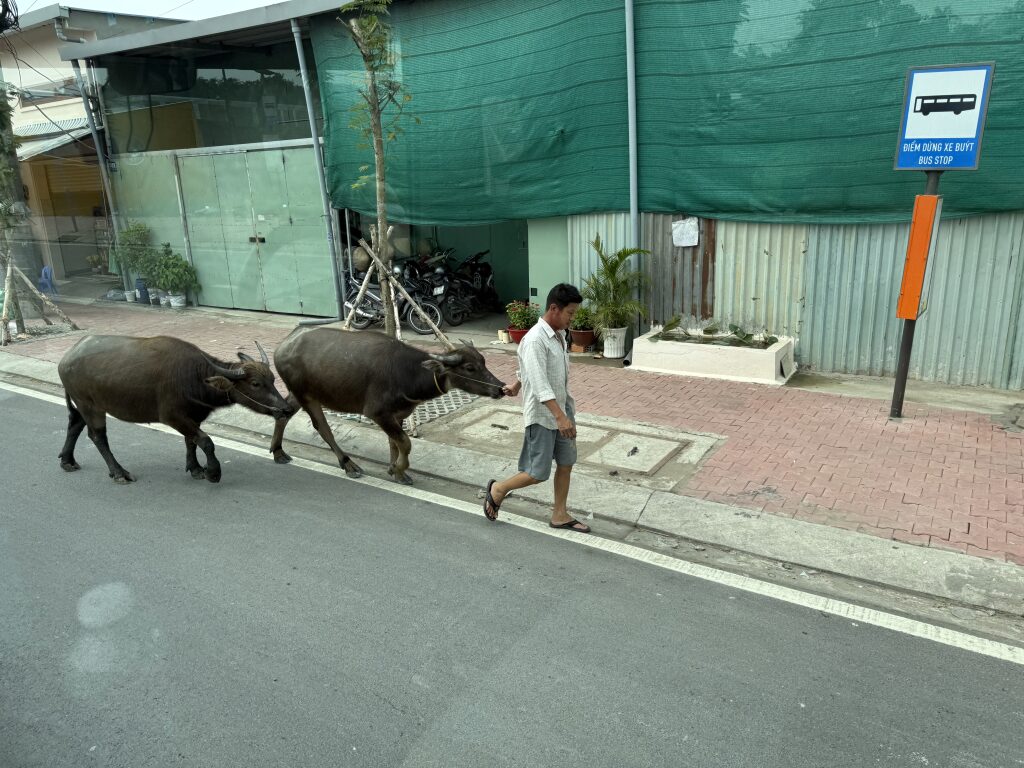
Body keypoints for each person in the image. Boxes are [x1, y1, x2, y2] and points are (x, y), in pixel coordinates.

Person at [483, 283, 590, 533]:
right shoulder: (534, 340)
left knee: (566, 462)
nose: (572, 318)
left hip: (562, 409)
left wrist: (517, 384)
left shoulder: (560, 335)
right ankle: (499, 488)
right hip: (543, 416)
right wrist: (560, 418)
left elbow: (530, 370)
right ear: (554, 308)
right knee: (537, 472)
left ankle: (560, 514)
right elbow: (541, 384)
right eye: (570, 313)